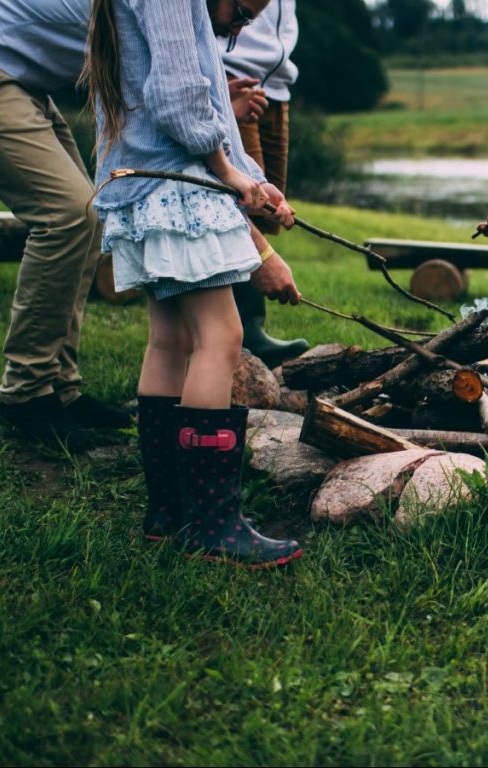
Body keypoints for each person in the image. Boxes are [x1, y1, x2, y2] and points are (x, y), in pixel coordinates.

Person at [84, 0, 304, 568]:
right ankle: (213, 524)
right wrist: (232, 178)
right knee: (220, 339)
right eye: (243, 7)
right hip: (175, 185)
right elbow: (179, 97)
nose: (243, 23)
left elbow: (198, 107)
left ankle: (169, 513)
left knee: (171, 342)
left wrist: (256, 184)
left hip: (142, 181)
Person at [0, 0, 133, 452]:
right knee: (69, 215)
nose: (234, 29)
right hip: (4, 74)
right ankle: (25, 390)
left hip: (28, 84)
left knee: (89, 217)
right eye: (239, 15)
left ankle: (60, 385)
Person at [219, 0, 309, 368]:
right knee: (239, 201)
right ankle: (242, 328)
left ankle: (247, 325)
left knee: (268, 208)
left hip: (278, 83)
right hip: (233, 73)